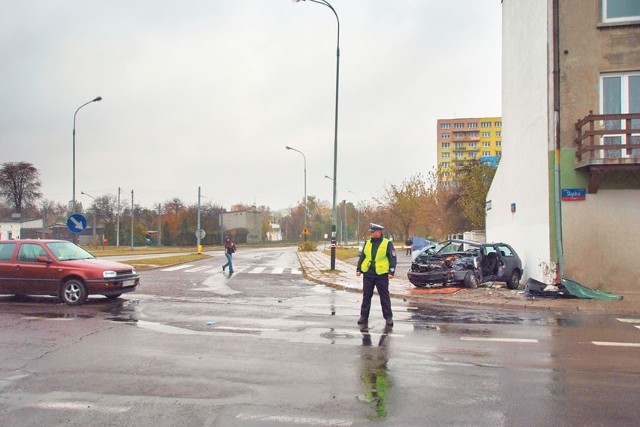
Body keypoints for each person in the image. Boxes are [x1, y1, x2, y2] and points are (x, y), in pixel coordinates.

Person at [356, 223, 397, 327]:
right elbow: (363, 256)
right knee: (366, 296)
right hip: (368, 273)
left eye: (373, 232)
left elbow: (392, 257)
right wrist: (359, 269)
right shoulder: (368, 243)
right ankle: (363, 316)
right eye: (371, 232)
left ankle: (388, 317)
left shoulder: (387, 243)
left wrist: (391, 271)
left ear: (379, 232)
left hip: (381, 274)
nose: (371, 234)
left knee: (384, 296)